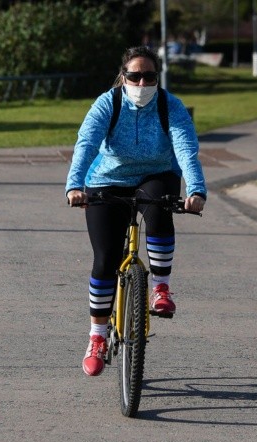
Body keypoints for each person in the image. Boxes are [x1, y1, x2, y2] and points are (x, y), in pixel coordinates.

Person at [65, 46, 207, 377]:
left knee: (160, 207)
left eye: (150, 76)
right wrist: (74, 186)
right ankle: (96, 338)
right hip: (107, 180)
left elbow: (186, 147)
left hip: (156, 174)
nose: (142, 82)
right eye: (135, 76)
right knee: (105, 259)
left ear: (158, 78)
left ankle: (160, 288)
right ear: (123, 76)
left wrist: (196, 190)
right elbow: (86, 143)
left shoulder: (169, 105)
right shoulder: (108, 103)